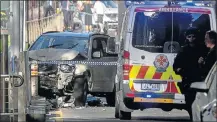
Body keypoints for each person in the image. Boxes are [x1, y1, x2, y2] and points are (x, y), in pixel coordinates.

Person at [173, 27, 208, 120]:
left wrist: (202, 63)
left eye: (193, 36)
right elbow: (176, 66)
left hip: (200, 80)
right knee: (189, 104)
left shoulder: (203, 49)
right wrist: (179, 70)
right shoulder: (183, 50)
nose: (191, 39)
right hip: (188, 81)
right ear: (186, 38)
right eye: (189, 36)